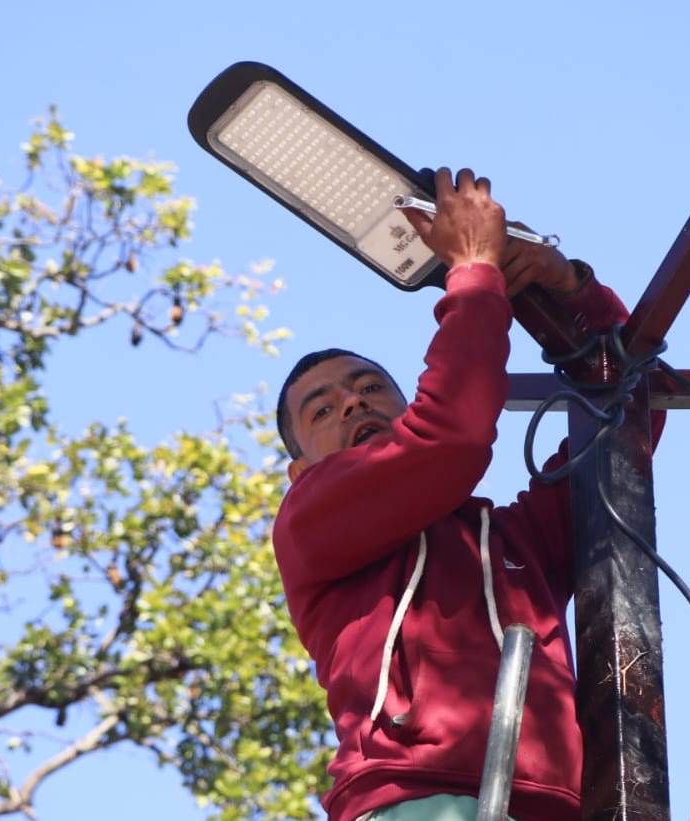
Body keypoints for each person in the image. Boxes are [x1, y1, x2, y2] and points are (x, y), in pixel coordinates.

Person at [272, 168, 664, 821]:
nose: (351, 401)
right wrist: (475, 273)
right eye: (321, 409)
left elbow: (625, 428)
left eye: (371, 386)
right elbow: (449, 437)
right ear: (297, 468)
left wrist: (568, 288)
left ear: (404, 403)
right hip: (418, 802)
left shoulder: (511, 544)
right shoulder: (310, 521)